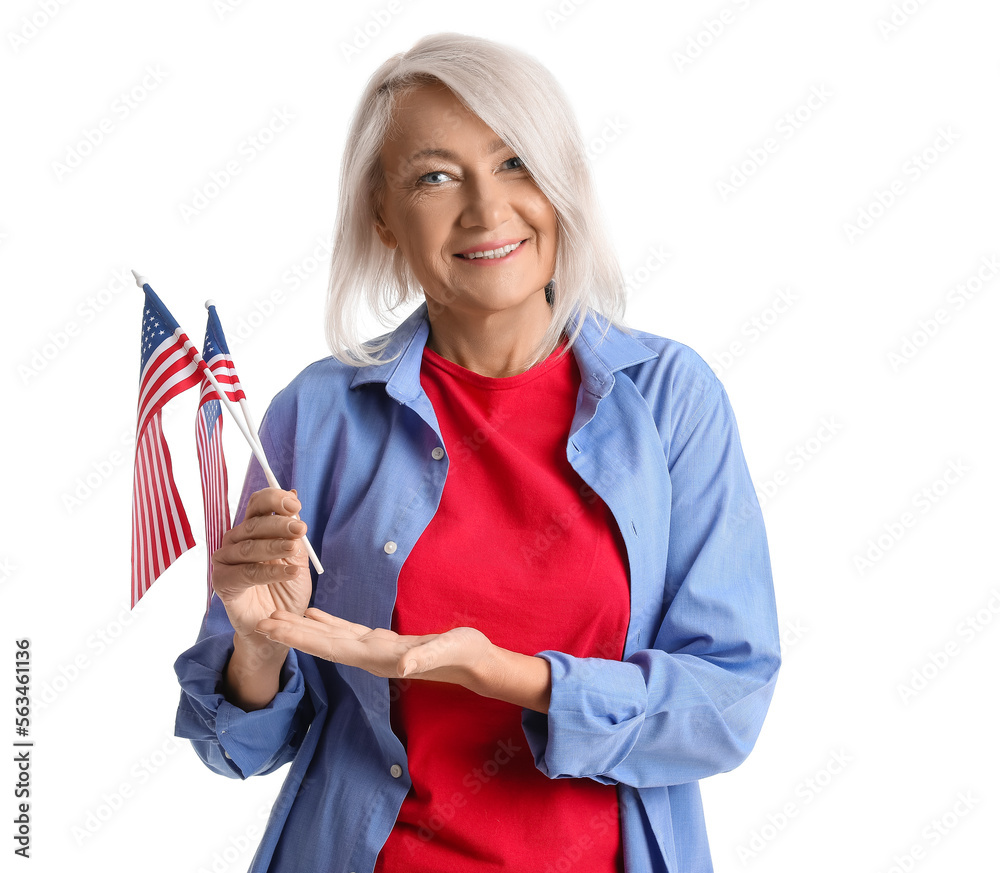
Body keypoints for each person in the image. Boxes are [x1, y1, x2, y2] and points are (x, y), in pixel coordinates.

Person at [173, 32, 781, 873]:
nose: (487, 210)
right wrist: (260, 646)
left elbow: (727, 703)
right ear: (383, 215)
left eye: (516, 163)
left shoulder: (672, 399)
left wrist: (512, 676)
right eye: (434, 175)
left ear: (563, 186)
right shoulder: (316, 414)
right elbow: (235, 747)